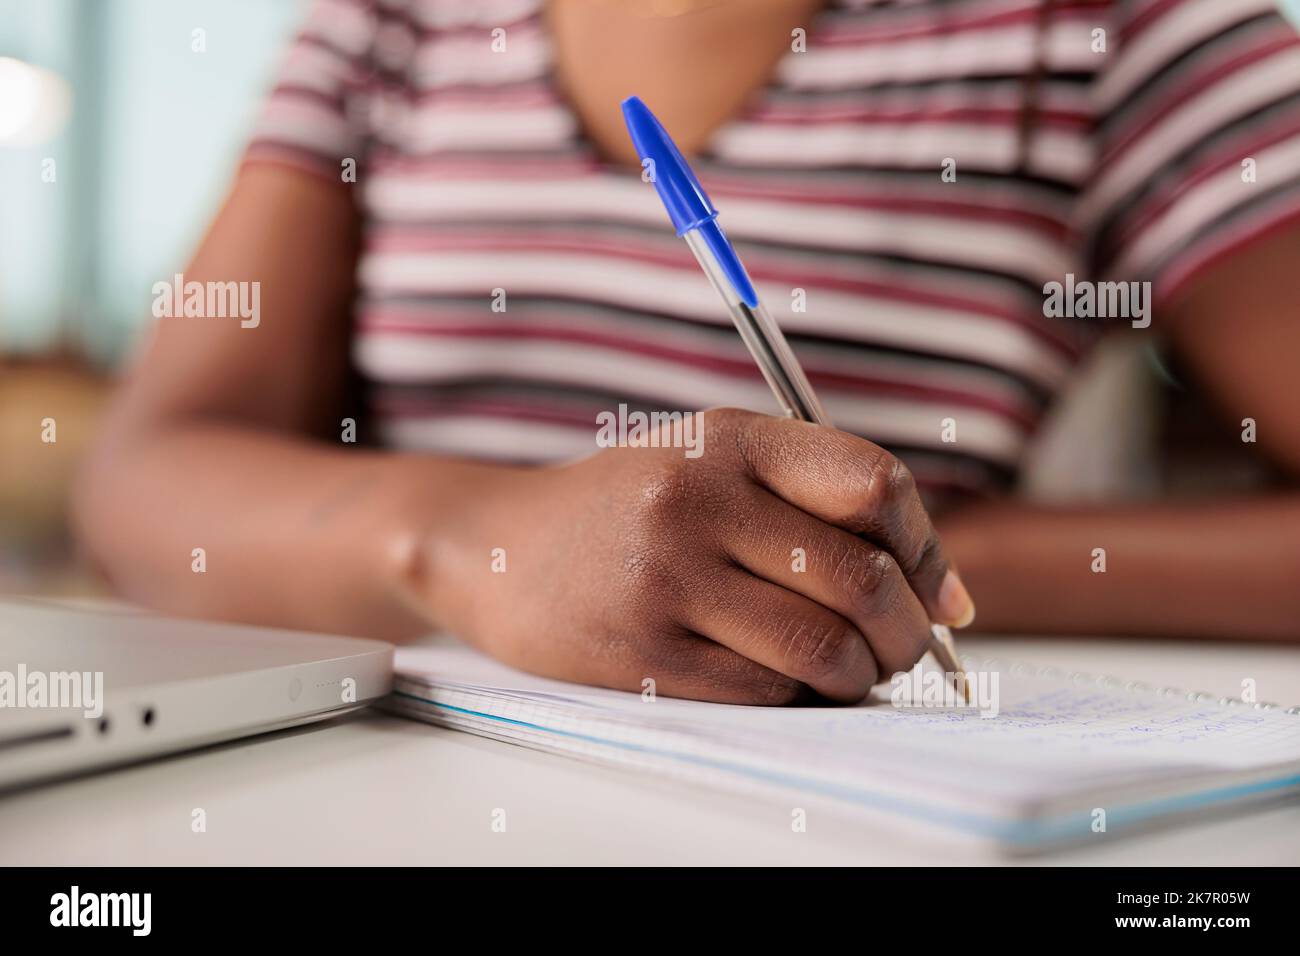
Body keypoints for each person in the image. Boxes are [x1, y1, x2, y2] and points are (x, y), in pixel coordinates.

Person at [75, 0, 1300, 704]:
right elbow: (142, 478)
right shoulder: (396, 19)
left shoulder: (1115, 26)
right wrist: (475, 543)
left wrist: (915, 561)